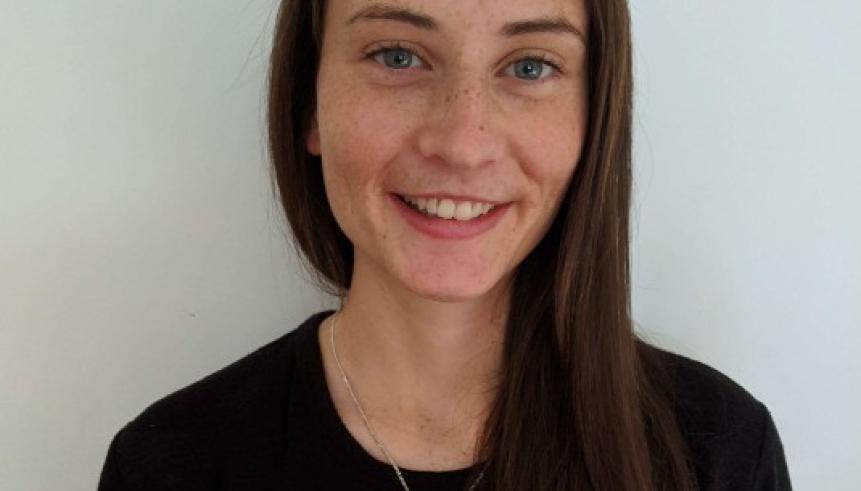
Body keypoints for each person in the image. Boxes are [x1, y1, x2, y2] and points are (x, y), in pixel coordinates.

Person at [97, 0, 792, 490]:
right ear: (310, 103)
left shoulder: (715, 449)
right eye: (397, 55)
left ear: (593, 114)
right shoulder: (173, 463)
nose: (462, 142)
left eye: (528, 67)